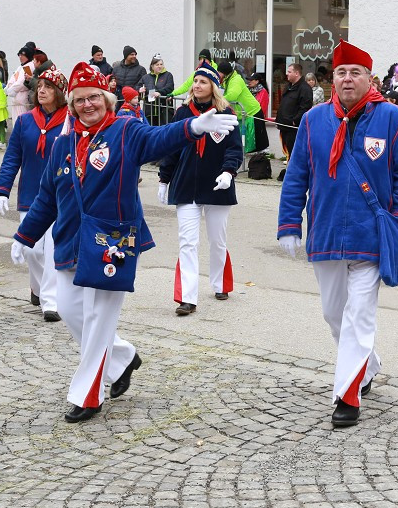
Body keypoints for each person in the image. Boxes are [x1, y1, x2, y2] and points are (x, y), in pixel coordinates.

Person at [12, 62, 238, 423]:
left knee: (100, 317)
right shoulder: (62, 144)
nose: (87, 105)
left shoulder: (125, 130)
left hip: (111, 241)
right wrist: (25, 236)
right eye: (80, 100)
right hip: (70, 240)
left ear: (107, 99)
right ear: (71, 105)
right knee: (70, 311)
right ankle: (122, 358)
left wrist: (193, 127)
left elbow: (158, 139)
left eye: (94, 98)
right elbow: (47, 198)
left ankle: (88, 395)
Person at [277, 40, 398, 428]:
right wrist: (289, 223)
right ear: (332, 79)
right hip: (324, 230)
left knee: (359, 314)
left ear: (369, 78)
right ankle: (367, 364)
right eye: (341, 72)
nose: (347, 79)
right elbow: (297, 176)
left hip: (372, 234)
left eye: (355, 72)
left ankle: (347, 395)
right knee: (333, 313)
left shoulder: (395, 120)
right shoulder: (313, 120)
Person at [158, 62, 243, 314]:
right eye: (195, 81)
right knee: (187, 242)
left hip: (218, 186)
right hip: (186, 186)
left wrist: (228, 172)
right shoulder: (183, 113)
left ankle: (220, 283)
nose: (196, 85)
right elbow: (170, 147)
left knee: (217, 240)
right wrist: (164, 178)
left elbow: (234, 149)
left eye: (203, 82)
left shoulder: (226, 112)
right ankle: (187, 297)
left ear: (214, 87)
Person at [0, 67, 71, 321]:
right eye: (39, 87)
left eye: (48, 87)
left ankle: (51, 301)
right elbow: (12, 157)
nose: (42, 91)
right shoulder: (26, 121)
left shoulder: (71, 121)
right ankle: (38, 289)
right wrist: (2, 190)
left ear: (59, 93)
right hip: (30, 195)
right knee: (32, 250)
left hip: (60, 196)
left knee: (52, 250)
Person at [277, 63, 313, 161]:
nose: (286, 74)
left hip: (293, 128)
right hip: (284, 126)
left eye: (289, 72)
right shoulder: (288, 86)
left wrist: (294, 121)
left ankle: (295, 175)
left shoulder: (305, 89)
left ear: (296, 73)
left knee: (295, 154)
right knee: (288, 153)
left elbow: (305, 108)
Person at [5, 43, 38, 123]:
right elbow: (13, 78)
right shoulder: (21, 66)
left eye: (22, 55)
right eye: (19, 55)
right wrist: (8, 87)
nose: (20, 57)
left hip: (22, 97)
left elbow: (23, 82)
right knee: (15, 120)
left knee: (21, 120)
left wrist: (12, 90)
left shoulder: (28, 66)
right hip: (16, 97)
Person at [141, 54, 175, 125]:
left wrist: (160, 92)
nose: (159, 66)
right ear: (152, 66)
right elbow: (138, 86)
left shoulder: (168, 75)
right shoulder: (146, 77)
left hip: (164, 110)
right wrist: (140, 89)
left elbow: (169, 87)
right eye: (157, 64)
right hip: (150, 111)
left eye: (161, 64)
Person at [247, 72, 272, 153]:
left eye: (251, 80)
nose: (249, 82)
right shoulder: (248, 90)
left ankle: (262, 151)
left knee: (259, 134)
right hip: (249, 115)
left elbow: (262, 105)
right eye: (248, 80)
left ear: (257, 81)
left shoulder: (263, 91)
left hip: (257, 115)